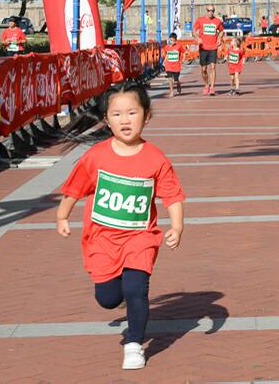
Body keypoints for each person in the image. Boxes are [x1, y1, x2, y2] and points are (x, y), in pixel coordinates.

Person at [56, 83, 185, 370]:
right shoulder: (96, 156)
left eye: (131, 112)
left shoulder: (155, 158)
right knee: (108, 298)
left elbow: (172, 195)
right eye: (116, 114)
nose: (124, 120)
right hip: (102, 240)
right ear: (106, 119)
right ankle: (119, 301)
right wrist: (62, 216)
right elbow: (75, 189)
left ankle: (134, 343)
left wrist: (177, 226)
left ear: (146, 116)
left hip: (140, 238)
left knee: (136, 289)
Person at [193, 4, 224, 96]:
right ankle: (206, 85)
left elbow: (222, 31)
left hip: (213, 47)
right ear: (206, 11)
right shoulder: (200, 20)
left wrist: (219, 38)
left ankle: (212, 88)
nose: (211, 12)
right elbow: (194, 30)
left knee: (213, 67)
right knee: (203, 69)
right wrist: (197, 38)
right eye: (209, 10)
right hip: (203, 48)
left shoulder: (217, 21)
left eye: (212, 11)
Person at [163, 33, 183, 98]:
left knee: (176, 80)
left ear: (176, 40)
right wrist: (164, 61)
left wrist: (182, 60)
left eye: (173, 40)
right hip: (168, 66)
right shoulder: (166, 47)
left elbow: (184, 52)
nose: (172, 42)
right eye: (171, 40)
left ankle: (178, 84)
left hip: (176, 66)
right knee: (170, 78)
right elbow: (167, 55)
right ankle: (171, 92)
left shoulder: (179, 46)